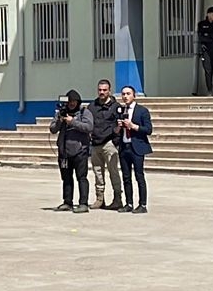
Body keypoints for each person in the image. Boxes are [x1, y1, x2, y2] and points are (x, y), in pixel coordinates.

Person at [49, 89, 93, 213]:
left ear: (78, 102)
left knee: (81, 177)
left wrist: (72, 122)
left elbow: (89, 127)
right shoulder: (61, 113)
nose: (72, 104)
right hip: (64, 151)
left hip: (80, 151)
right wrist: (60, 120)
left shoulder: (84, 112)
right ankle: (67, 202)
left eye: (74, 101)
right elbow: (52, 129)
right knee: (66, 178)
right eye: (70, 101)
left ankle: (83, 203)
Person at [87, 78, 124, 211]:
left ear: (109, 91)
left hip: (109, 143)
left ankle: (117, 199)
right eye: (100, 90)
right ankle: (100, 199)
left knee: (113, 172)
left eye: (104, 90)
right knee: (97, 173)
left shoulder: (116, 107)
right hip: (95, 143)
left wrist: (115, 141)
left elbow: (120, 124)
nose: (102, 92)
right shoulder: (92, 106)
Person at [117, 85, 153, 213]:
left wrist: (133, 126)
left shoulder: (142, 111)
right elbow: (116, 131)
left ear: (134, 95)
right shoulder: (121, 110)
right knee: (126, 177)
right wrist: (118, 126)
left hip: (137, 147)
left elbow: (148, 130)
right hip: (124, 147)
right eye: (123, 94)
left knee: (139, 176)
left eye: (128, 94)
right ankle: (129, 203)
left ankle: (142, 204)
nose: (125, 96)